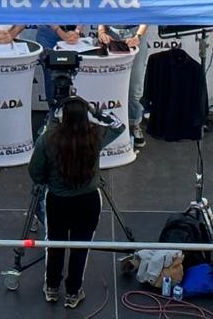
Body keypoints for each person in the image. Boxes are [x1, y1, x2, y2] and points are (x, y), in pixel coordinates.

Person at [27, 95, 124, 309]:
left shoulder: (48, 138)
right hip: (89, 202)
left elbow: (34, 171)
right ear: (86, 115)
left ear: (62, 115)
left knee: (55, 245)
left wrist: (49, 182)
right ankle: (73, 293)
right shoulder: (96, 134)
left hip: (57, 202)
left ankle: (51, 288)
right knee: (80, 248)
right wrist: (98, 113)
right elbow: (119, 126)